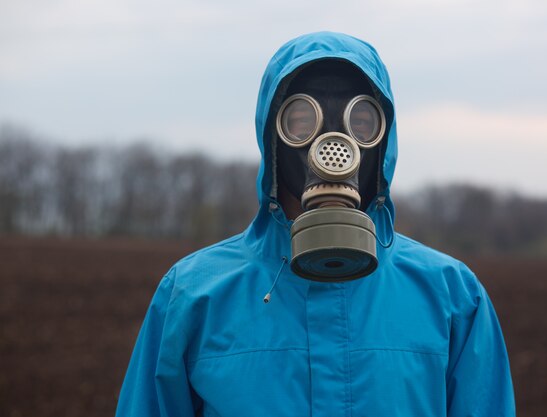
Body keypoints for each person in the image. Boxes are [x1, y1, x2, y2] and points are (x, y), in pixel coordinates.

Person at [116, 32, 515, 416]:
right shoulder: (193, 296)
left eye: (360, 122)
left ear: (383, 139)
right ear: (272, 136)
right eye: (302, 121)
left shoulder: (453, 298)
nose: (332, 140)